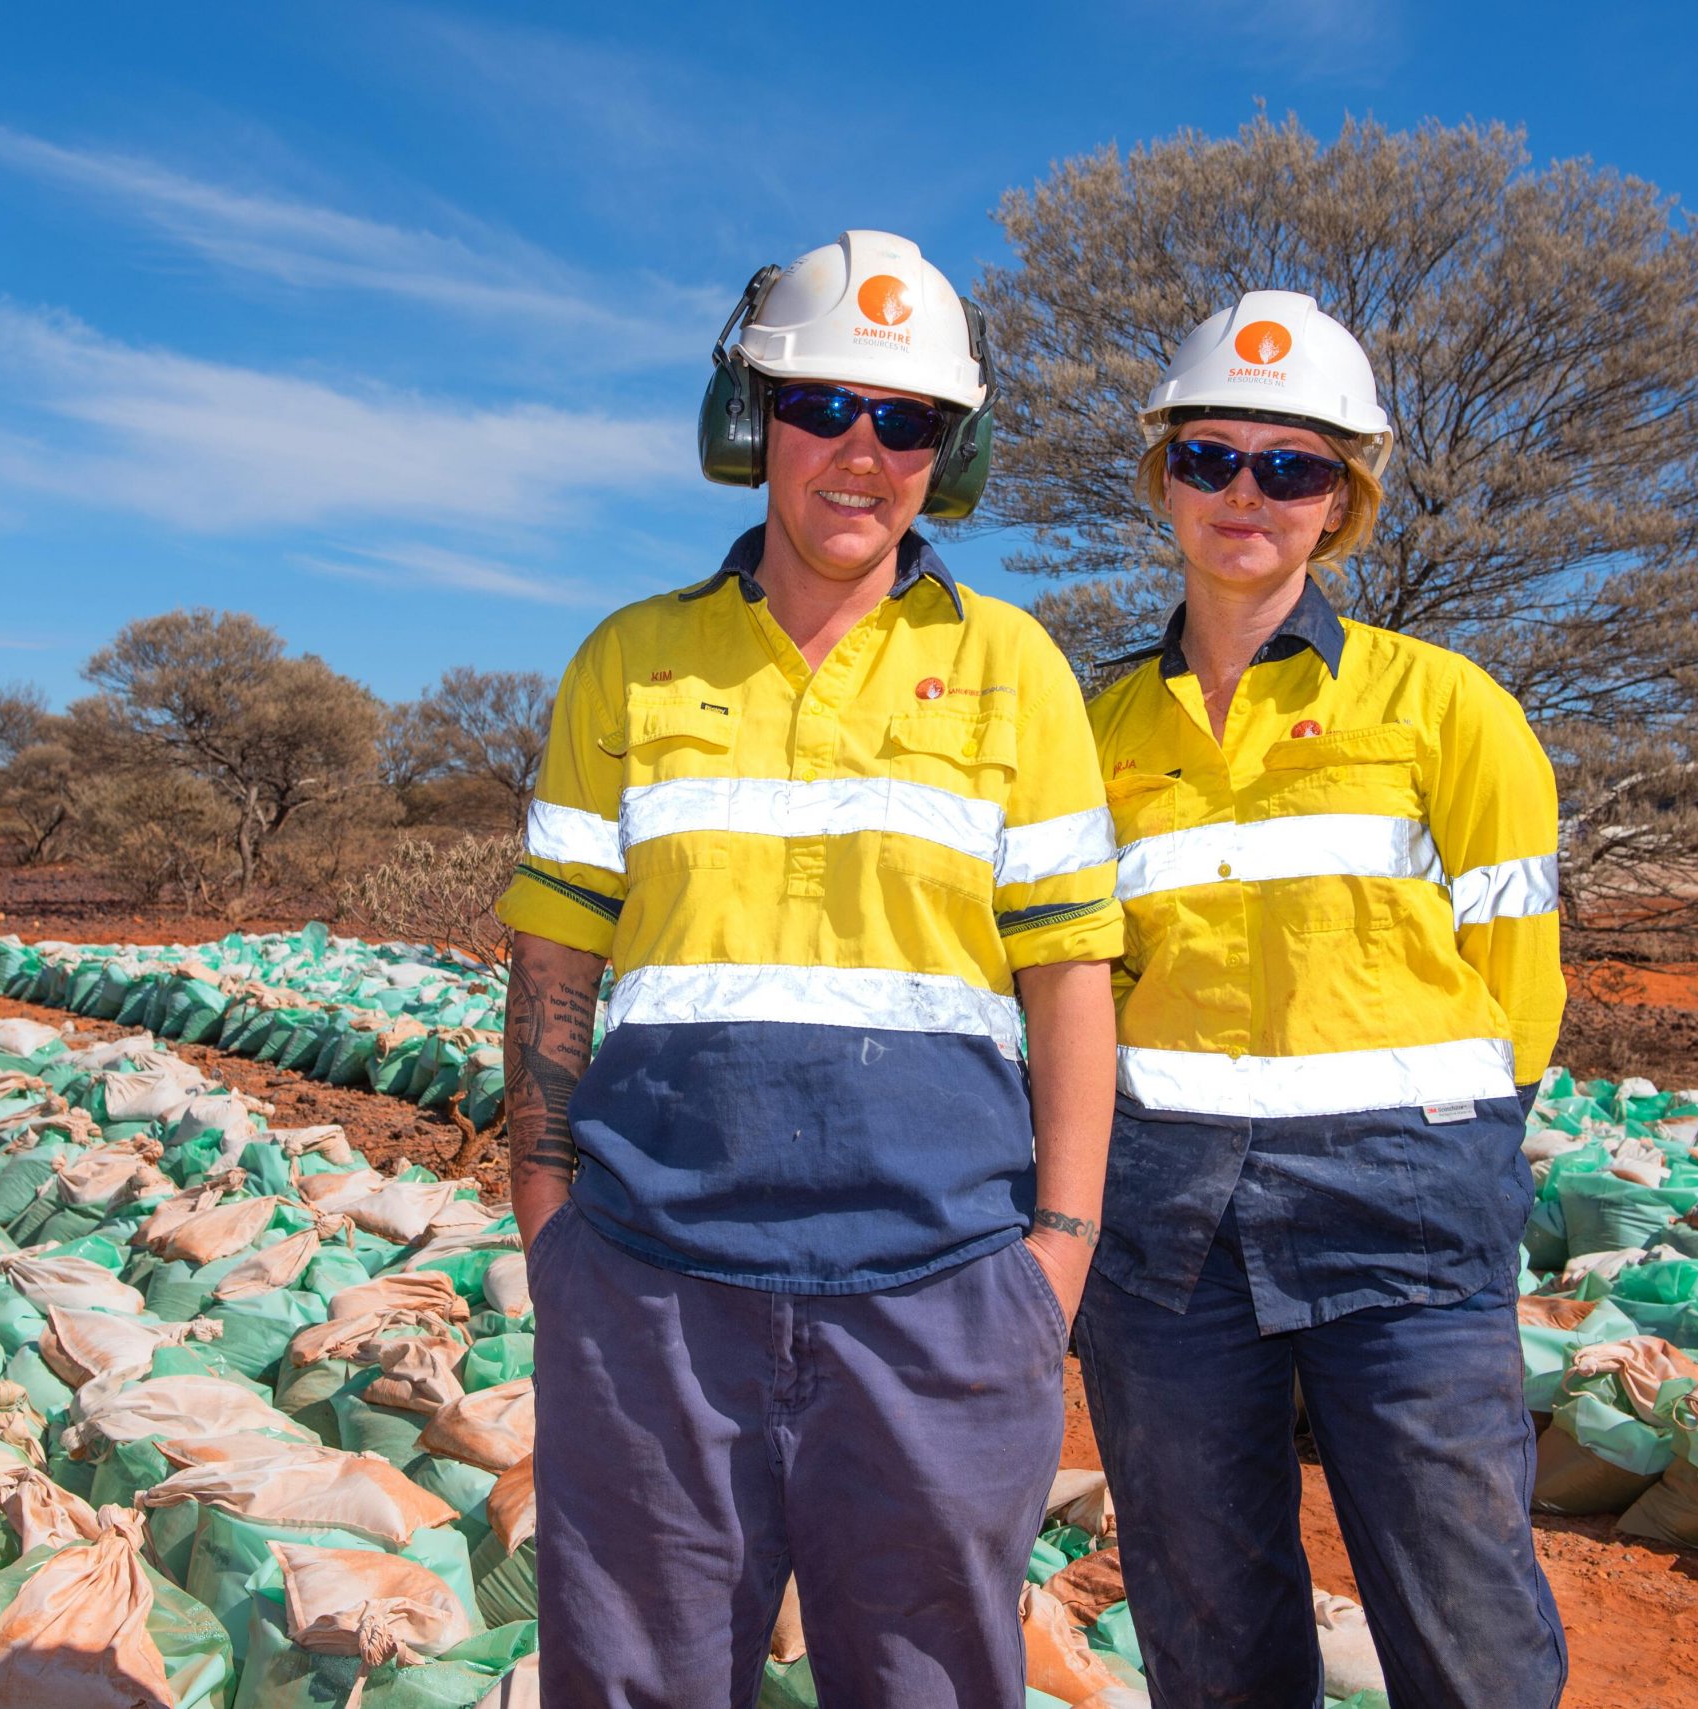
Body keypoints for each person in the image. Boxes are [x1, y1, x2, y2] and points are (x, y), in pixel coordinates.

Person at [494, 230, 1123, 1708]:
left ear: (948, 456)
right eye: (821, 406)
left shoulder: (1016, 668)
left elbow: (1071, 978)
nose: (861, 452)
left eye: (908, 421)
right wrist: (549, 1220)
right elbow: (553, 954)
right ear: (748, 422)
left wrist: (1059, 1260)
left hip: (944, 1300)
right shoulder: (628, 662)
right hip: (650, 1293)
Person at [1075, 290, 1569, 1709]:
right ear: (1162, 476)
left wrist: (1458, 1152)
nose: (1247, 493)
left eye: (1291, 466)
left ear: (1342, 499)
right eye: (1210, 457)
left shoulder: (1449, 707)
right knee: (1205, 1620)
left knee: (1464, 1624)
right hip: (1163, 1231)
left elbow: (1517, 984)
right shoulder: (1088, 733)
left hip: (1405, 1216)